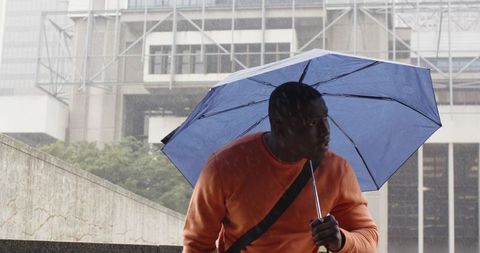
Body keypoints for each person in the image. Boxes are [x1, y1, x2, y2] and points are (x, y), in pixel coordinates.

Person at [183, 82, 378, 253]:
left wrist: (341, 241)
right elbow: (197, 245)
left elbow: (369, 238)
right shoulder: (224, 166)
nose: (325, 131)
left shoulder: (336, 170)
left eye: (325, 119)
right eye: (311, 122)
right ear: (280, 127)